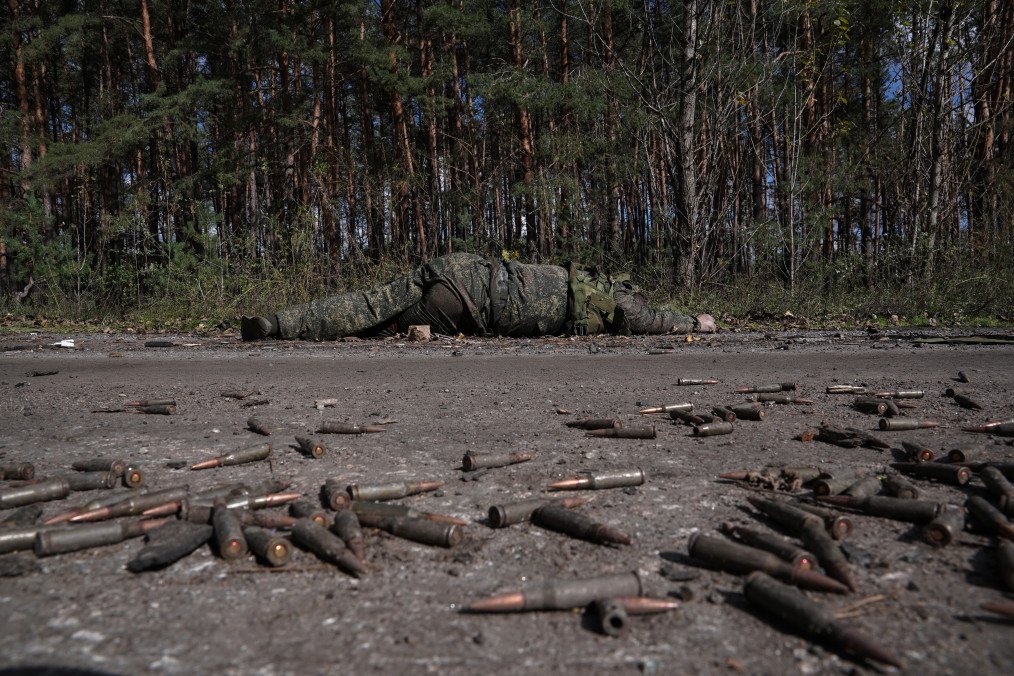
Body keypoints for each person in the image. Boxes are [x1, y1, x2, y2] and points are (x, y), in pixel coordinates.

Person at [241, 252, 715, 341]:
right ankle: (281, 327)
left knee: (370, 304)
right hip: (469, 299)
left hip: (465, 267)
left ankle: (280, 323)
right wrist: (695, 323)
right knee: (372, 321)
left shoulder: (576, 278)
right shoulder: (612, 300)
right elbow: (643, 318)